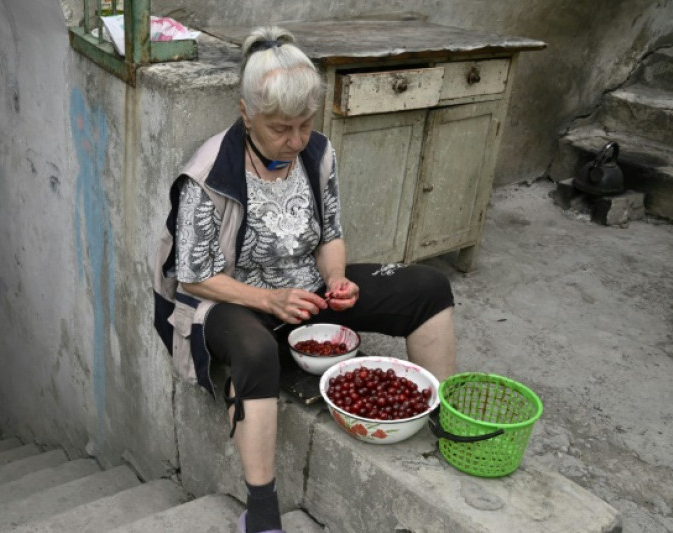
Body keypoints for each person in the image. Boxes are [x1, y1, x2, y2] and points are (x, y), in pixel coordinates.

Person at [153, 26, 457, 533]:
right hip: (231, 302)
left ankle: (442, 424)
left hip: (306, 292)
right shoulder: (208, 175)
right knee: (255, 352)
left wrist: (336, 279)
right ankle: (263, 507)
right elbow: (195, 275)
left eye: (303, 124)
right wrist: (269, 300)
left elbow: (330, 234)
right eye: (280, 128)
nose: (295, 140)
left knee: (427, 288)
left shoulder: (317, 152)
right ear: (246, 112)